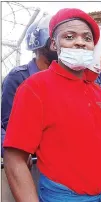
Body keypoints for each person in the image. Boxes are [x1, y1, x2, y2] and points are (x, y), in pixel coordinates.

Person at [3, 8, 101, 202]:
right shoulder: (35, 87)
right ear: (54, 44)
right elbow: (15, 159)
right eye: (69, 36)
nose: (80, 41)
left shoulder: (97, 90)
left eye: (87, 38)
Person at [1, 15, 57, 157]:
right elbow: (8, 122)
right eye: (53, 41)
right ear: (40, 45)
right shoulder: (18, 77)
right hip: (30, 157)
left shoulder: (61, 78)